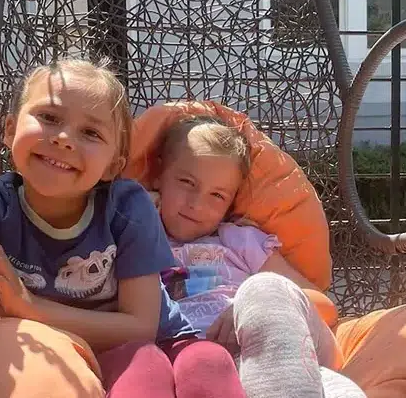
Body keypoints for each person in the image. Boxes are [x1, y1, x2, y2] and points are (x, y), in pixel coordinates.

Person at [0, 28, 246, 398]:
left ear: (112, 165)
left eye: (90, 133)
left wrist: (29, 306)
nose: (65, 138)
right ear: (9, 130)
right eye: (49, 117)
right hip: (61, 349)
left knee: (174, 367)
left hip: (151, 342)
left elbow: (140, 327)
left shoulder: (125, 206)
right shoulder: (1, 202)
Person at [152, 116, 368, 398]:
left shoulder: (240, 241)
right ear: (158, 175)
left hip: (272, 349)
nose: (197, 203)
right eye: (186, 182)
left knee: (264, 288)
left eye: (217, 195)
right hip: (202, 370)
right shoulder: (139, 240)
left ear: (231, 202)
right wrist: (138, 210)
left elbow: (321, 305)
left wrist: (249, 308)